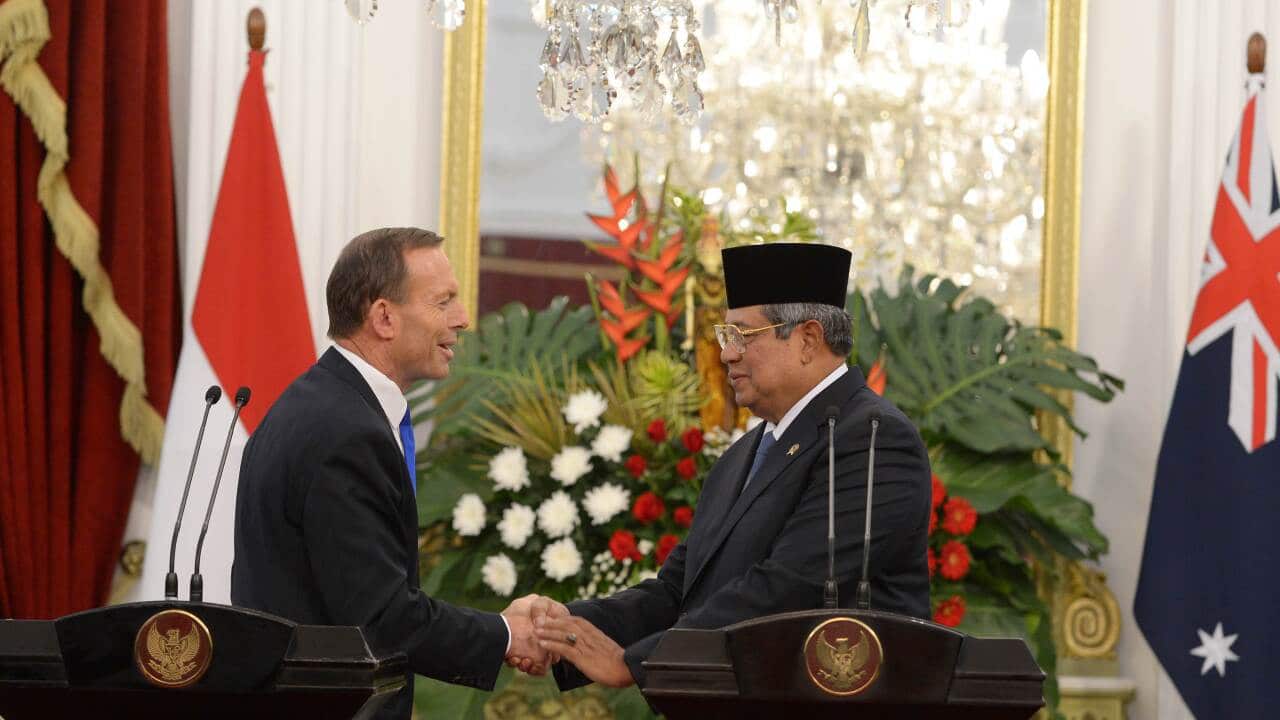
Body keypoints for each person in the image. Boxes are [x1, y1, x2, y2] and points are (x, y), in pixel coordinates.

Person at [517, 242, 933, 691]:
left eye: (742, 336)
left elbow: (789, 591)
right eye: (725, 336)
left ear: (808, 339)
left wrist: (636, 664)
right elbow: (678, 592)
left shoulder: (874, 438)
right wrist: (561, 626)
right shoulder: (748, 451)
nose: (727, 354)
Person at [231, 227, 547, 719]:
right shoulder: (346, 433)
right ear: (384, 317)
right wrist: (506, 633)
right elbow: (382, 619)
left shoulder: (321, 404)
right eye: (443, 302)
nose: (463, 319)